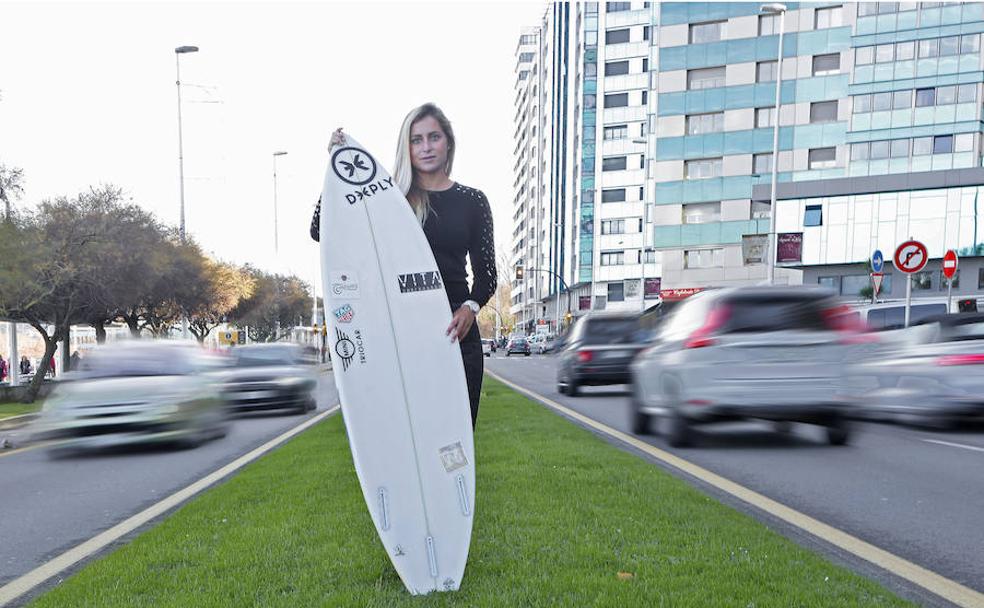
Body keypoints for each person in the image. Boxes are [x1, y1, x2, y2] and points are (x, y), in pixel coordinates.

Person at [311, 104, 496, 428]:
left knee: (455, 443)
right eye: (416, 139)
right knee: (407, 437)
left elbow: (487, 275)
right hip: (399, 332)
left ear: (448, 142)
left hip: (456, 332)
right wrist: (337, 169)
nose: (426, 147)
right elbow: (320, 230)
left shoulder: (473, 200)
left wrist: (469, 308)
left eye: (433, 137)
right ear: (406, 146)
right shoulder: (387, 199)